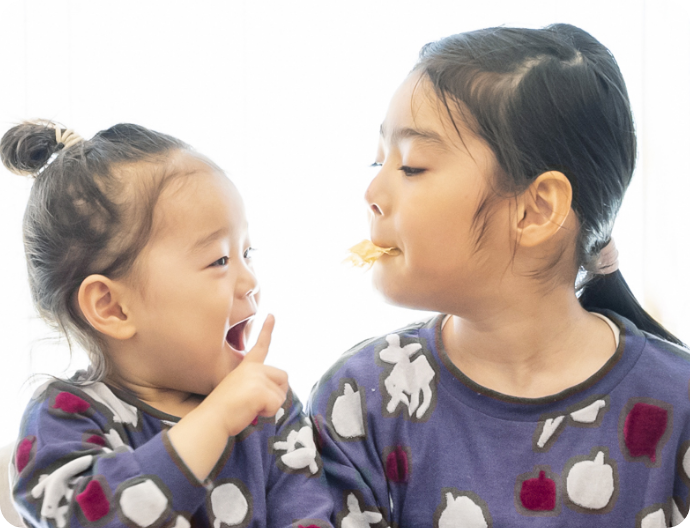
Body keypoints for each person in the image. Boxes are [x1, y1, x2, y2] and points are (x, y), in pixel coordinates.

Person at [307, 24, 690, 527]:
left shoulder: (678, 406)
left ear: (536, 210)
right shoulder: (357, 399)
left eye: (413, 166)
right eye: (378, 160)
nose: (372, 191)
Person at [2, 121, 332, 527]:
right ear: (112, 307)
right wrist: (213, 421)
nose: (250, 282)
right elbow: (88, 518)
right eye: (220, 261)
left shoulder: (268, 411)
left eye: (247, 253)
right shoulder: (64, 418)